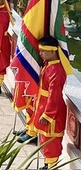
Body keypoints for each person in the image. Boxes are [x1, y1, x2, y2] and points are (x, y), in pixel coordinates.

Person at [33, 35, 70, 169]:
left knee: (51, 141)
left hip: (52, 112)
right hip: (43, 105)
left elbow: (55, 96)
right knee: (45, 138)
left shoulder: (57, 71)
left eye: (43, 51)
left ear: (53, 51)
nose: (41, 53)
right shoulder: (48, 65)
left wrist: (48, 115)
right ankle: (47, 164)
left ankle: (51, 166)